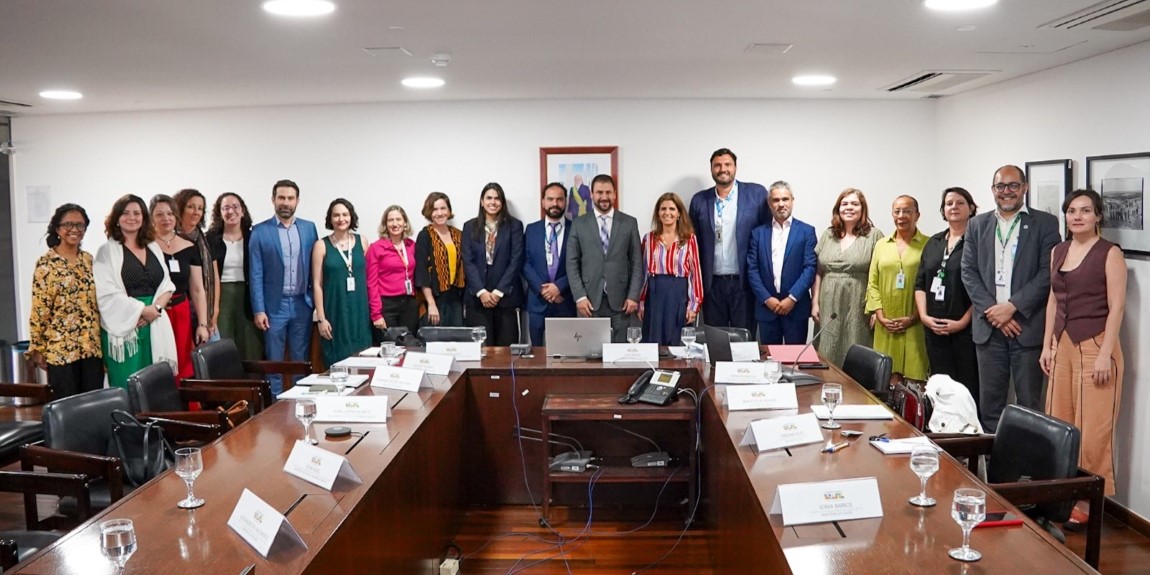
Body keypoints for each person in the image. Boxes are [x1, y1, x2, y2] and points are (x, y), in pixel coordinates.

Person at [1040, 189, 1126, 524]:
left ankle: (1089, 502)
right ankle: (1059, 492)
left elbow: (1117, 306)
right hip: (1062, 343)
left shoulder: (1110, 253)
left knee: (1093, 429)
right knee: (1059, 422)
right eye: (1072, 211)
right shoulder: (1058, 251)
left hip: (1097, 345)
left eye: (1086, 211)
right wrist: (1047, 344)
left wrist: (1105, 354)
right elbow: (1052, 300)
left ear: (1098, 216)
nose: (1078, 217)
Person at [960, 165, 1061, 432]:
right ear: (993, 190)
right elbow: (968, 272)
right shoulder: (977, 224)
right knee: (990, 406)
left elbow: (1046, 273)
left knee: (1029, 406)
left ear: (1025, 188)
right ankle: (994, 470)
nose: (1007, 192)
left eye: (1013, 186)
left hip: (1026, 328)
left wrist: (1012, 307)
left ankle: (1029, 471)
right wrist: (995, 312)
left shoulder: (1045, 224)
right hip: (989, 329)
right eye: (1000, 187)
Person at [93, 194, 177, 389]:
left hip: (154, 323)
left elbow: (167, 285)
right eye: (125, 213)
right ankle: (126, 420)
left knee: (153, 384)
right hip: (125, 327)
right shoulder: (107, 251)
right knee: (127, 383)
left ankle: (152, 420)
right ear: (116, 218)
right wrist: (141, 310)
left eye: (137, 213)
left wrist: (154, 309)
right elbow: (106, 293)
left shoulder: (153, 247)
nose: (132, 217)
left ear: (144, 218)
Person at [249, 179, 319, 395]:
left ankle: (301, 405)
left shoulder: (309, 228)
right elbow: (256, 273)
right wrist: (259, 309)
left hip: (302, 304)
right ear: (273, 200)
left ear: (297, 201)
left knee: (300, 361)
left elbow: (315, 268)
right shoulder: (260, 231)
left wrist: (315, 302)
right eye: (281, 198)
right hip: (273, 307)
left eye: (290, 198)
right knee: (275, 363)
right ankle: (275, 408)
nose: (285, 202)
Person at [688, 148, 769, 331]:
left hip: (745, 283)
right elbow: (693, 242)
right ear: (711, 169)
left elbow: (767, 235)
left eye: (727, 164)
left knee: (745, 340)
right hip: (712, 284)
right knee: (716, 341)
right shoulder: (699, 200)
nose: (722, 169)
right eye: (717, 165)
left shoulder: (756, 194)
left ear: (735, 167)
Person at [27, 204, 103, 398]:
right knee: (67, 407)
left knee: (94, 405)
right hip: (60, 350)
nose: (75, 229)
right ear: (57, 228)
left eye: (80, 225)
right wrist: (38, 348)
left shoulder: (89, 260)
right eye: (68, 224)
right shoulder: (46, 264)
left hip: (91, 347)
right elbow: (39, 309)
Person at [915, 187, 980, 404]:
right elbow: (920, 283)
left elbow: (983, 288)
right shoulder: (934, 242)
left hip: (965, 330)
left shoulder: (977, 242)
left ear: (971, 208)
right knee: (939, 388)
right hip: (933, 328)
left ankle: (967, 435)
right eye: (949, 203)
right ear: (943, 210)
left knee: (965, 388)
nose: (954, 207)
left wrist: (962, 322)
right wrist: (924, 317)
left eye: (960, 202)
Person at [566, 174, 644, 343]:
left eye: (608, 192)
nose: (604, 197)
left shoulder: (629, 223)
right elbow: (571, 263)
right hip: (588, 301)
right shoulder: (579, 224)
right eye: (599, 192)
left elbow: (637, 262)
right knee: (589, 354)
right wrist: (579, 296)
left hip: (622, 301)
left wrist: (633, 296)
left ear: (615, 194)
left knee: (620, 354)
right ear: (592, 194)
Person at [812, 188, 884, 367]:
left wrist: (876, 308)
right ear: (838, 208)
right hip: (828, 301)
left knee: (856, 343)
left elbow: (879, 275)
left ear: (862, 208)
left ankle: (856, 391)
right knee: (828, 344)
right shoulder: (828, 235)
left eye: (854, 204)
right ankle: (827, 387)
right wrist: (815, 302)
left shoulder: (874, 235)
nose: (849, 208)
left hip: (858, 301)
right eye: (844, 204)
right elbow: (819, 271)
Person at [865, 196, 929, 381]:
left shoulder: (929, 244)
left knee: (914, 381)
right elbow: (872, 283)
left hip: (915, 324)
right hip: (886, 324)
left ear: (917, 215)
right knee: (885, 379)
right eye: (897, 211)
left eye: (907, 211)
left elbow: (928, 285)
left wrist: (914, 317)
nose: (901, 216)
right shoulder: (881, 245)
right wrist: (880, 316)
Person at [746, 181, 817, 344]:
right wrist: (766, 298)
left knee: (795, 361)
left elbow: (810, 268)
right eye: (776, 200)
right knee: (770, 361)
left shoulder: (807, 231)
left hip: (796, 307)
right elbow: (752, 269)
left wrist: (792, 298)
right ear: (769, 203)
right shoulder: (758, 233)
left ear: (792, 200)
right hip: (766, 308)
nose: (781, 204)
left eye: (785, 199)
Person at [152, 194, 211, 381]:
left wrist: (203, 324)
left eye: (170, 213)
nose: (166, 218)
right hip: (156, 316)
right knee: (158, 365)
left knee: (183, 364)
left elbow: (197, 289)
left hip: (181, 312)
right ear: (151, 217)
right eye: (159, 214)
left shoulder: (189, 246)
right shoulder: (145, 246)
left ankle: (186, 407)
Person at [462, 183, 525, 346]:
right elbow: (467, 261)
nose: (493, 202)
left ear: (502, 203)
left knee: (506, 351)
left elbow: (516, 260)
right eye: (489, 198)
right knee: (481, 350)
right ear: (482, 201)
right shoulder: (470, 226)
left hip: (506, 298)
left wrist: (498, 292)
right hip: (478, 299)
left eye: (497, 198)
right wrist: (481, 292)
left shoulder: (514, 226)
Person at [312, 198, 372, 368]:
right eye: (336, 215)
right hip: (336, 313)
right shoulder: (321, 246)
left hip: (360, 314)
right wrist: (321, 319)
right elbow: (317, 284)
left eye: (345, 214)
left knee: (364, 364)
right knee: (338, 365)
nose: (341, 219)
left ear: (351, 217)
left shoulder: (363, 242)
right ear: (330, 219)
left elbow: (370, 279)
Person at [638, 193, 703, 345]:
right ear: (658, 213)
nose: (667, 213)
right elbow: (643, 273)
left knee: (677, 342)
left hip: (678, 293)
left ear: (679, 213)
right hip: (654, 295)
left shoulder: (689, 239)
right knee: (653, 342)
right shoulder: (648, 239)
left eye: (672, 209)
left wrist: (693, 305)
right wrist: (641, 301)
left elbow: (696, 274)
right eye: (663, 209)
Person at [206, 192, 264, 361]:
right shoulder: (211, 238)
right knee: (223, 345)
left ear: (243, 210)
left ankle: (251, 386)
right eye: (225, 208)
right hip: (221, 296)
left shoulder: (253, 236)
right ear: (219, 213)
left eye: (235, 207)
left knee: (250, 345)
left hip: (248, 296)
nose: (231, 211)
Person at [523, 182, 576, 345]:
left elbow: (580, 264)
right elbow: (524, 263)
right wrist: (542, 289)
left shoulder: (576, 229)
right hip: (537, 301)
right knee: (537, 352)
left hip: (564, 300)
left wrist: (559, 286)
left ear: (565, 202)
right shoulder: (531, 229)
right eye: (550, 199)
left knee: (567, 351)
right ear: (543, 202)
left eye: (559, 199)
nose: (555, 203)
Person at [366, 205, 420, 341]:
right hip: (386, 305)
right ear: (385, 224)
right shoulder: (376, 248)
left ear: (405, 223)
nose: (395, 224)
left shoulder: (411, 245)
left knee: (409, 346)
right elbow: (371, 283)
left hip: (409, 304)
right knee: (389, 348)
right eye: (390, 220)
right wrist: (376, 314)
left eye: (398, 219)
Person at [414, 192, 466, 327]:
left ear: (449, 210)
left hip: (455, 298)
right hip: (435, 298)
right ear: (429, 212)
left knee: (456, 343)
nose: (439, 213)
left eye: (443, 208)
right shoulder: (425, 235)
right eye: (435, 209)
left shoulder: (458, 234)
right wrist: (431, 304)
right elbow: (422, 271)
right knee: (435, 344)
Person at [174, 188, 219, 341]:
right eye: (191, 206)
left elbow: (215, 278)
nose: (196, 212)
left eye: (200, 208)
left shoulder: (207, 240)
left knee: (212, 353)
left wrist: (215, 310)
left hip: (204, 308)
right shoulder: (168, 240)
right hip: (179, 306)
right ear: (179, 208)